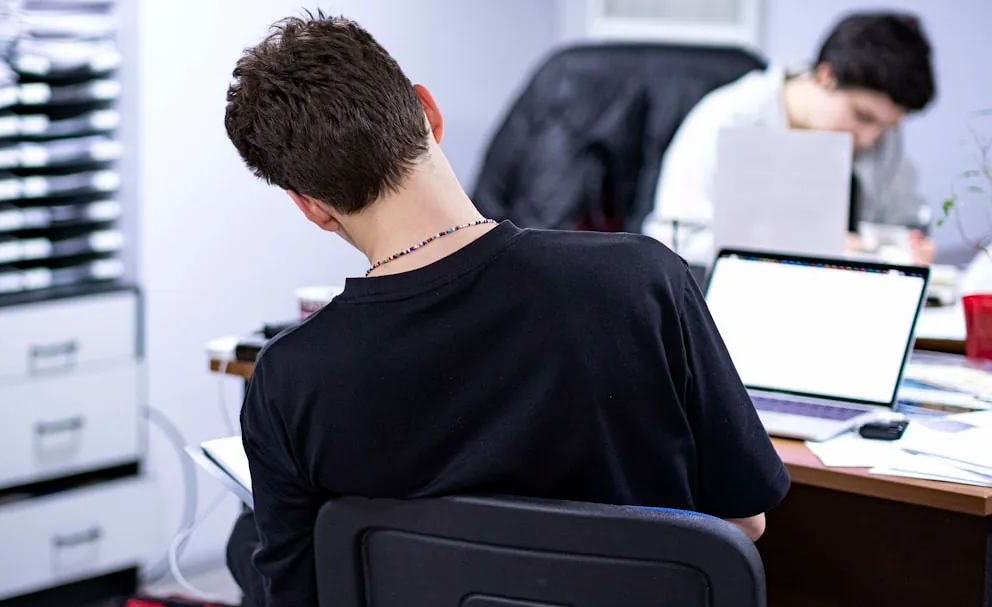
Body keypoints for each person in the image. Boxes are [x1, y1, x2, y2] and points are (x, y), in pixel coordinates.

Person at [223, 11, 790, 606]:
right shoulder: (640, 279)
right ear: (428, 113)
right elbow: (740, 527)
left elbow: (297, 594)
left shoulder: (290, 380)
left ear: (309, 206)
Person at [643, 11, 937, 267]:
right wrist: (799, 247)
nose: (870, 138)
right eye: (863, 116)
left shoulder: (881, 139)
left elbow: (904, 220)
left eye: (887, 126)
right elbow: (673, 241)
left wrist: (903, 246)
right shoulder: (728, 118)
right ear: (826, 76)